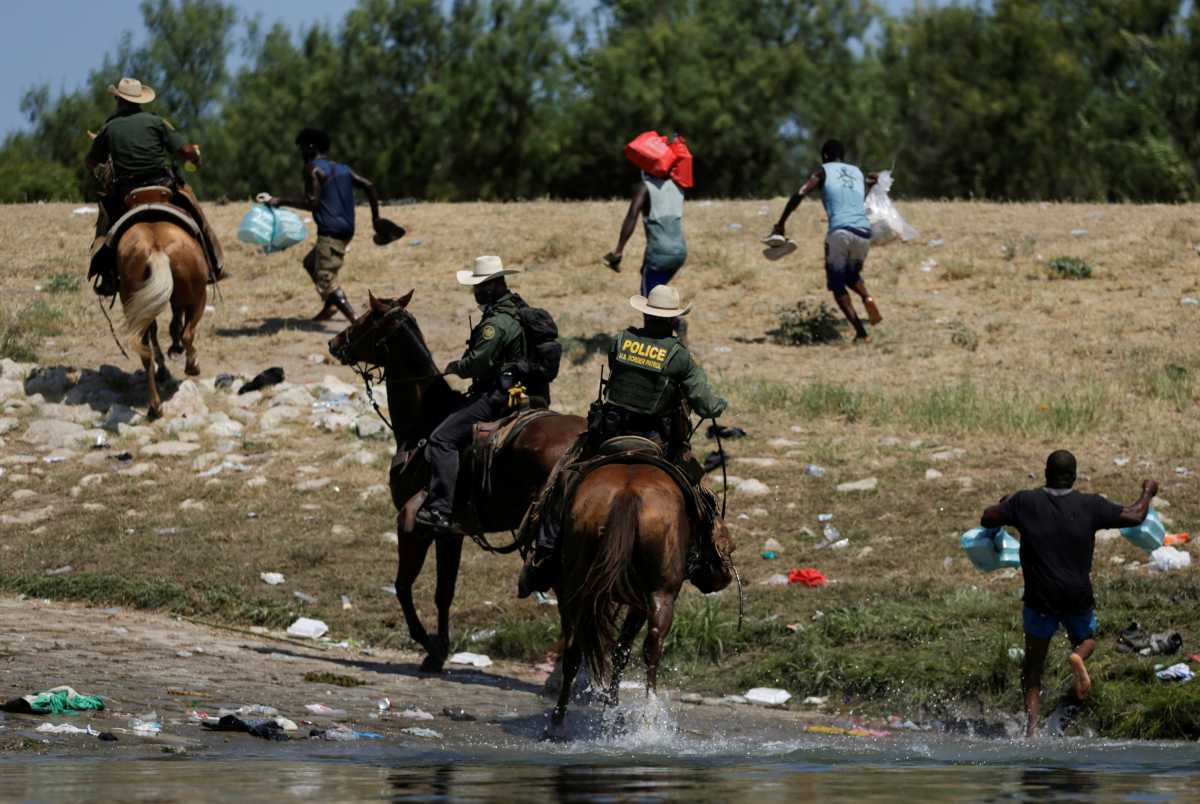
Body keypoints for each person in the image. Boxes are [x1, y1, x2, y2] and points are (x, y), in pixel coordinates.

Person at [517, 283, 726, 597]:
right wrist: (718, 405)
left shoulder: (621, 342)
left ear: (644, 315)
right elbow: (707, 405)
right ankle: (706, 562)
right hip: (655, 438)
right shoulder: (679, 357)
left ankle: (544, 553)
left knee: (561, 480)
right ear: (673, 321)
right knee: (701, 493)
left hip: (610, 433)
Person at [980, 450, 1158, 738]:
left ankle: (1032, 732)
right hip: (1077, 596)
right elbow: (1136, 515)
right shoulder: (1090, 505)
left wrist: (1007, 505)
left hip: (1040, 597)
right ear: (1073, 477)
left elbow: (987, 518)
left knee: (1033, 668)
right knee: (1087, 639)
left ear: (1045, 473)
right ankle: (1078, 656)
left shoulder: (1026, 501)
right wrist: (1148, 491)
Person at [414, 256, 531, 533]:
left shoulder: (496, 324)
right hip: (516, 390)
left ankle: (440, 510)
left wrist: (458, 366)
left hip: (495, 396)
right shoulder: (516, 308)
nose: (475, 292)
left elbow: (477, 364)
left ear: (491, 286)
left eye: (478, 286)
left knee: (441, 439)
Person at [85, 77, 226, 296]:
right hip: (162, 187)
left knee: (106, 223)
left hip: (127, 193)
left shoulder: (109, 128)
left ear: (118, 100)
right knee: (196, 212)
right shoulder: (156, 122)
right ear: (140, 100)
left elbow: (91, 162)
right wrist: (195, 157)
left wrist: (101, 174)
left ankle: (106, 274)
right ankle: (213, 262)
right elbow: (185, 151)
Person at [768, 139, 882, 341]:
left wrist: (781, 223)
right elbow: (860, 198)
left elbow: (801, 193)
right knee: (851, 276)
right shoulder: (857, 173)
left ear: (825, 156)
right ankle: (867, 297)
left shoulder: (823, 171)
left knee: (837, 284)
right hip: (864, 232)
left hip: (840, 232)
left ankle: (861, 333)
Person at [266, 128, 382, 322]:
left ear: (311, 147)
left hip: (330, 232)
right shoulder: (343, 168)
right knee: (310, 263)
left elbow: (312, 202)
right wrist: (375, 219)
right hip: (347, 230)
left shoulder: (312, 168)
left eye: (302, 148)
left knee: (325, 277)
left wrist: (280, 201)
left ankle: (357, 321)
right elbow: (369, 185)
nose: (301, 153)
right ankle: (330, 305)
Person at [603, 156, 689, 339]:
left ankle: (669, 329)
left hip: (659, 253)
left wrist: (619, 250)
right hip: (680, 251)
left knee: (648, 300)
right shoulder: (677, 186)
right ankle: (668, 333)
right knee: (656, 290)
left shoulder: (644, 187)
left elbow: (632, 216)